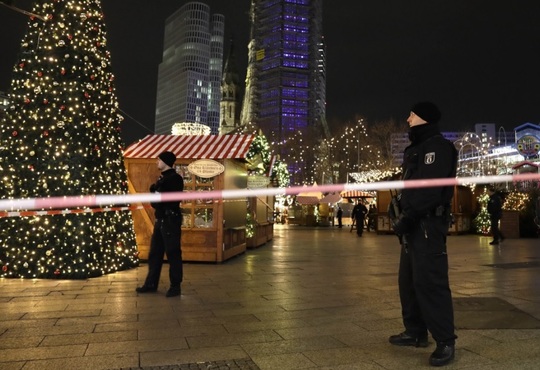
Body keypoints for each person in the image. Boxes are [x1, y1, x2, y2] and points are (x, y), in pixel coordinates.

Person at [389, 102, 458, 367]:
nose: (407, 118)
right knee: (408, 282)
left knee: (431, 283)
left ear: (424, 119)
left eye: (412, 114)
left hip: (428, 225)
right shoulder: (417, 148)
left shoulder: (437, 148)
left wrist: (407, 217)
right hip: (414, 226)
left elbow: (430, 191)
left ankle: (445, 341)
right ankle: (415, 332)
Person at [136, 151, 184, 297]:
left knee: (173, 253)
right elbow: (155, 203)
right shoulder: (163, 178)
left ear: (166, 162)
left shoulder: (175, 178)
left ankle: (175, 286)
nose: (157, 162)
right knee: (155, 254)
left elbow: (172, 201)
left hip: (170, 220)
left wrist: (158, 193)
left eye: (159, 160)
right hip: (161, 220)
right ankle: (151, 283)